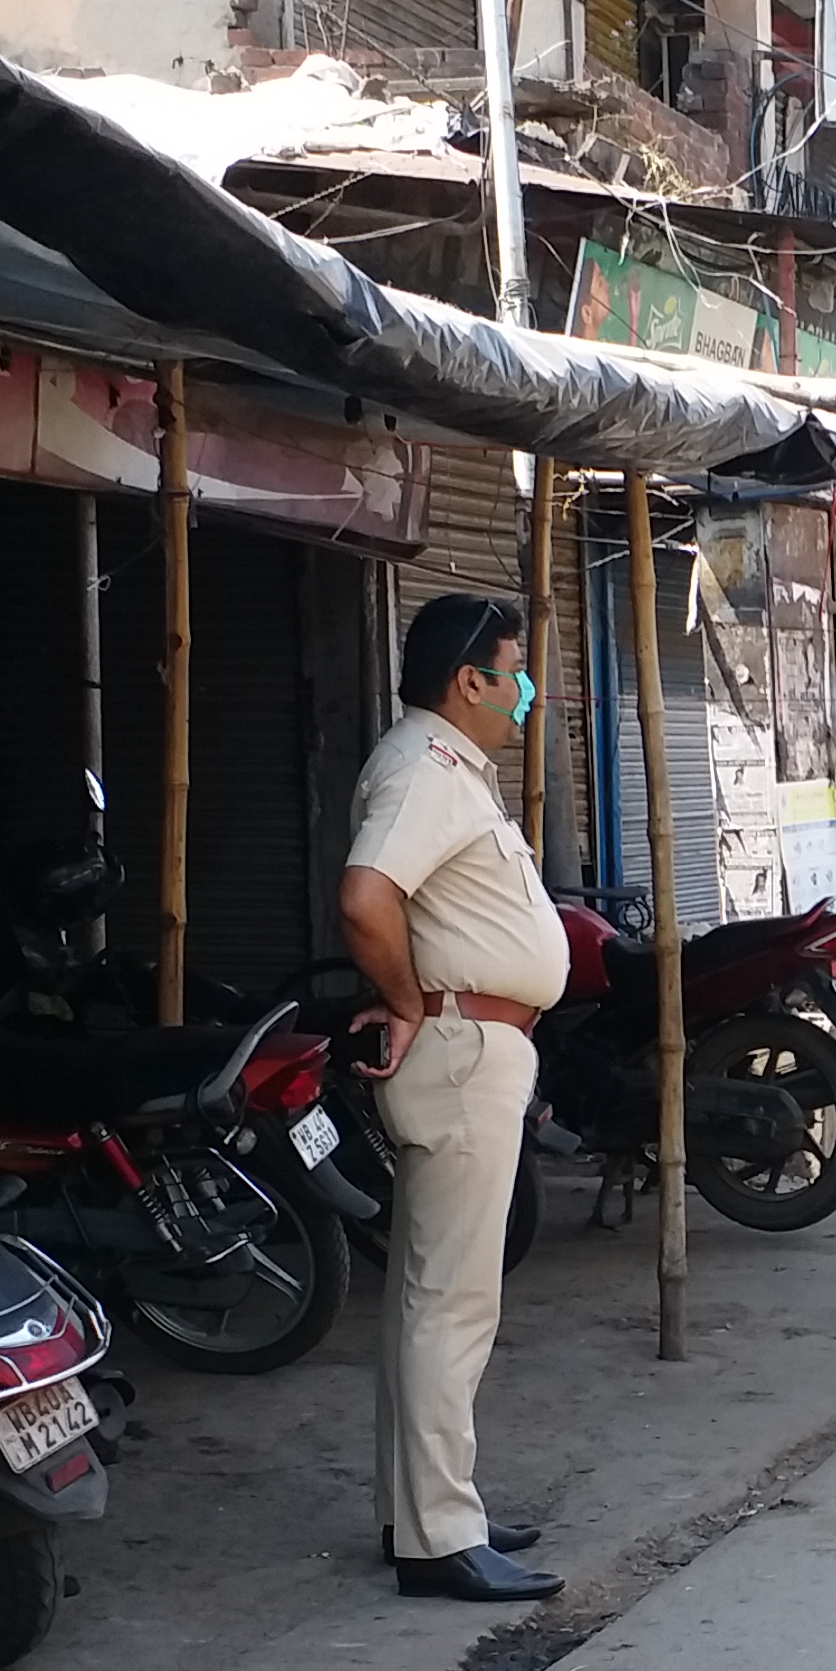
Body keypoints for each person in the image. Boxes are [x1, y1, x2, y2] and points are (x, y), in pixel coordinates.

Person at [342, 592, 572, 1600]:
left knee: (423, 1299)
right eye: (514, 671)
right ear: (467, 679)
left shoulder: (443, 768)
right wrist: (402, 997)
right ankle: (439, 1535)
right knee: (452, 1304)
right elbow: (366, 895)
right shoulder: (424, 767)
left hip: (476, 1042)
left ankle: (422, 1513)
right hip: (464, 1045)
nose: (525, 691)